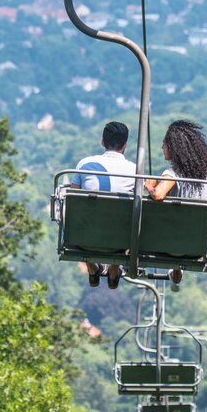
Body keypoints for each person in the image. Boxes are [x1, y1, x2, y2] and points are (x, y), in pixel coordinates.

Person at [144, 119, 207, 290]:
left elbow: (159, 195)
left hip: (170, 242)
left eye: (164, 144)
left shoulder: (172, 174)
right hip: (197, 243)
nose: (162, 148)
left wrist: (149, 185)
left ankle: (174, 265)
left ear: (173, 147)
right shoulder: (203, 177)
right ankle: (176, 268)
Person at [71, 121, 136, 288]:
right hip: (119, 242)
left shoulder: (84, 164)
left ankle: (92, 267)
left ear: (102, 142)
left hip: (84, 240)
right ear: (125, 145)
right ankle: (115, 268)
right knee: (124, 218)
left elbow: (74, 202)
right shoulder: (135, 171)